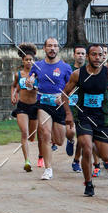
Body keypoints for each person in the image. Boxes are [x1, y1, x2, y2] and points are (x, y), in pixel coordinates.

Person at [63, 44, 108, 196]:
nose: (97, 57)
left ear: (103, 56)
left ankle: (99, 153)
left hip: (102, 118)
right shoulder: (78, 74)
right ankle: (89, 183)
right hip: (83, 116)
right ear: (87, 57)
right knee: (86, 146)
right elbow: (64, 94)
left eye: (100, 55)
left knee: (106, 156)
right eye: (93, 54)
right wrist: (68, 114)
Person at [31, 37, 72, 180]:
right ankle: (48, 169)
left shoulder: (65, 67)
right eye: (49, 46)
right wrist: (30, 83)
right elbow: (30, 81)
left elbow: (72, 87)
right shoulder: (37, 65)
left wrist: (64, 96)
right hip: (43, 103)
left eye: (55, 46)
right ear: (44, 48)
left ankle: (62, 141)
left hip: (59, 104)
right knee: (45, 134)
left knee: (60, 141)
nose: (52, 48)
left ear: (58, 49)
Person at [10, 43, 38, 172]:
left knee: (32, 136)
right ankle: (27, 161)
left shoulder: (37, 74)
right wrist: (13, 95)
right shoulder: (19, 74)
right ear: (23, 60)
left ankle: (40, 155)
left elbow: (43, 88)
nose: (29, 62)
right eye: (26, 59)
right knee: (24, 133)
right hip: (22, 106)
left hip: (35, 106)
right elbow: (14, 86)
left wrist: (35, 87)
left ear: (34, 61)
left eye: (31, 60)